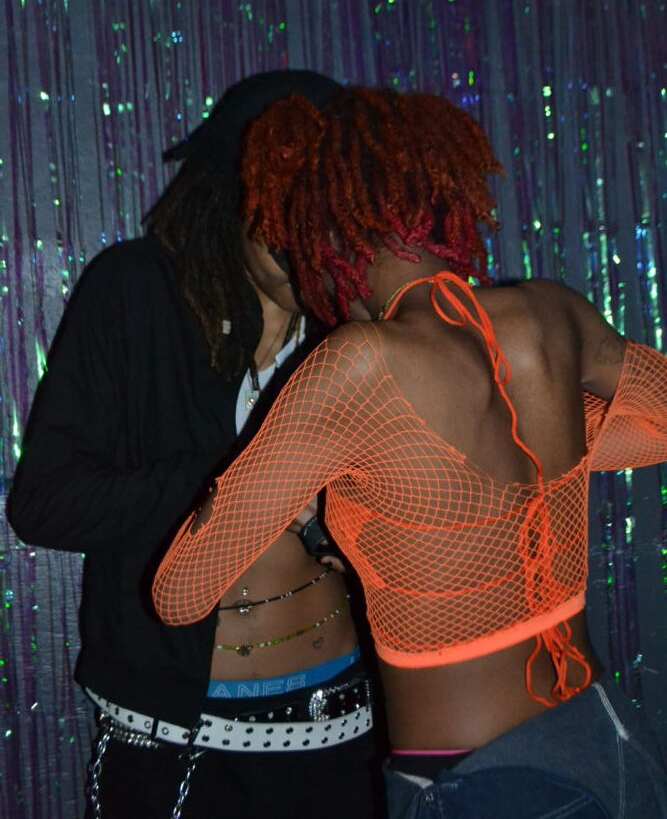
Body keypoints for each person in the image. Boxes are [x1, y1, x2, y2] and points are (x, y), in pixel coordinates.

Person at [153, 86, 667, 818]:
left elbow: (179, 595)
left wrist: (280, 490)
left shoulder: (359, 363)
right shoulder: (551, 312)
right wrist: (555, 446)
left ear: (323, 234)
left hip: (485, 782)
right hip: (609, 742)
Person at [7, 71, 381, 819]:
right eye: (286, 219)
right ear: (234, 194)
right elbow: (45, 503)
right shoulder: (136, 290)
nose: (311, 251)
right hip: (175, 729)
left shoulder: (353, 326)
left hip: (342, 721)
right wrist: (236, 481)